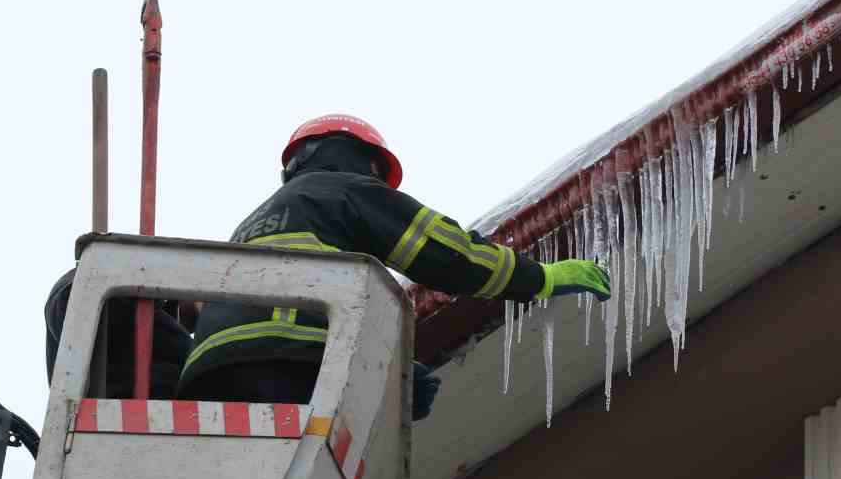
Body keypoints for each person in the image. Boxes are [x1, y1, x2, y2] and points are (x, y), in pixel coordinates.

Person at [178, 114, 610, 420]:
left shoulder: (253, 222)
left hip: (206, 378)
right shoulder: (340, 190)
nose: (375, 181)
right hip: (285, 362)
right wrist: (539, 278)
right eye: (374, 170)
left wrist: (390, 373)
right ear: (354, 156)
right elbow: (445, 252)